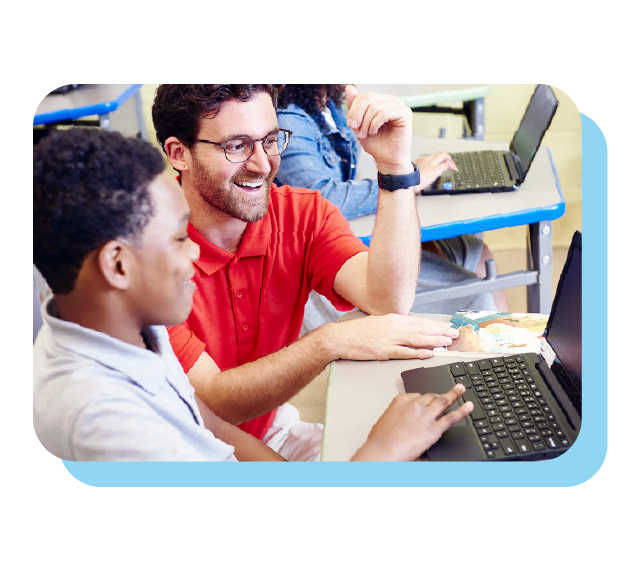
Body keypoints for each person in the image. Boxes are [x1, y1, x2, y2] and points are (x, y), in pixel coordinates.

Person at [32, 127, 473, 462]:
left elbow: (211, 427)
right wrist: (382, 451)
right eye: (177, 240)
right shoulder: (108, 423)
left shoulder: (124, 324)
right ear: (118, 265)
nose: (193, 256)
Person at [151, 84, 463, 461]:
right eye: (236, 146)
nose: (263, 165)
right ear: (178, 153)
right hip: (177, 449)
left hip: (267, 429)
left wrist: (395, 168)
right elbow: (216, 405)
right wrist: (329, 342)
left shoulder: (301, 215)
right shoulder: (145, 258)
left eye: (269, 140)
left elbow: (387, 299)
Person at [275, 84, 509, 333]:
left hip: (351, 236)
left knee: (480, 255)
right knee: (477, 296)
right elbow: (325, 198)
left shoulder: (326, 102)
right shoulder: (290, 118)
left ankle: (518, 358)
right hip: (327, 259)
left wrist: (396, 165)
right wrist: (404, 177)